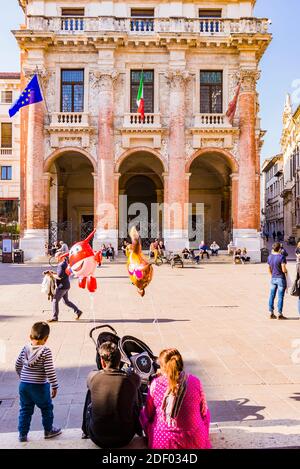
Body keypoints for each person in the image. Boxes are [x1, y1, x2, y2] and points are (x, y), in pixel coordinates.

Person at [140, 348, 211, 449]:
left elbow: (148, 413)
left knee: (143, 414)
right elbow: (203, 412)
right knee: (206, 413)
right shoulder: (195, 381)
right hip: (195, 441)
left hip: (163, 442)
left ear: (163, 367)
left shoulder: (155, 384)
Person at [81, 342, 142, 448]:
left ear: (102, 362)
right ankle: (140, 429)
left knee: (90, 391)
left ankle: (85, 431)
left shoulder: (93, 377)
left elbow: (90, 382)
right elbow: (138, 380)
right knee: (136, 390)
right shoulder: (132, 378)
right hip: (126, 437)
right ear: (119, 361)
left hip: (98, 437)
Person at [15, 322, 61, 442]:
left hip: (24, 386)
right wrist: (54, 386)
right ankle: (48, 430)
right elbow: (50, 370)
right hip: (39, 387)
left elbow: (17, 365)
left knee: (25, 409)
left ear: (30, 336)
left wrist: (22, 376)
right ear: (46, 339)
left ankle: (22, 434)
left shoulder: (25, 348)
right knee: (46, 408)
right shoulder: (45, 351)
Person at [48, 253, 83, 322]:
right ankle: (78, 311)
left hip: (62, 286)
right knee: (66, 301)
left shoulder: (61, 265)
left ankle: (55, 317)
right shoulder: (65, 263)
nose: (55, 259)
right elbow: (62, 274)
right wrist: (53, 273)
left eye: (56, 257)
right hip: (66, 285)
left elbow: (59, 277)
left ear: (60, 257)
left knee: (55, 301)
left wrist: (51, 275)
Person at [267, 242, 288, 320]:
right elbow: (283, 269)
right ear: (280, 249)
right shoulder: (281, 257)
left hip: (273, 278)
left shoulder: (269, 257)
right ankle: (279, 313)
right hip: (281, 278)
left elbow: (269, 269)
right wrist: (286, 272)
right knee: (280, 297)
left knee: (272, 295)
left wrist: (272, 275)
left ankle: (271, 312)